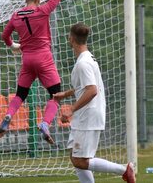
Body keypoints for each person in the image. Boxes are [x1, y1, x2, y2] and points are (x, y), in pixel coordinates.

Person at [0, 0, 75, 144]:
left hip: (27, 59)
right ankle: (45, 123)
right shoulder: (43, 10)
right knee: (55, 95)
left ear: (26, 1)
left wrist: (13, 46)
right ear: (38, 0)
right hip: (44, 57)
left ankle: (8, 116)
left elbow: (4, 36)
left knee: (20, 94)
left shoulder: (16, 15)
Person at [53, 22, 136, 183]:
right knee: (75, 157)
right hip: (87, 115)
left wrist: (71, 109)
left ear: (71, 39)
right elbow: (85, 87)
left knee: (81, 160)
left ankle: (124, 169)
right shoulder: (88, 58)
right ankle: (123, 169)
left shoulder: (83, 63)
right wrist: (66, 94)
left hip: (88, 116)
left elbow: (92, 90)